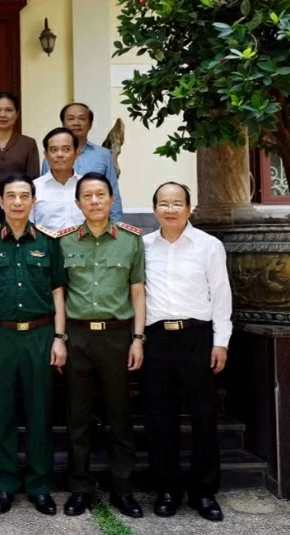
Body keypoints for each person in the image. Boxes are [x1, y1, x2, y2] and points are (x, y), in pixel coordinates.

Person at [0, 174, 67, 515]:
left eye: (25, 196)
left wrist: (59, 337)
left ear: (34, 201)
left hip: (39, 334)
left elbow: (58, 292)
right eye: (11, 196)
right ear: (0, 201)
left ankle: (39, 486)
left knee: (40, 412)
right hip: (0, 335)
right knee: (1, 412)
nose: (18, 202)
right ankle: (4, 484)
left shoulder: (49, 243)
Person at [59, 172, 146, 519]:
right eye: (87, 196)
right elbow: (60, 294)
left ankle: (122, 489)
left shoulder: (130, 240)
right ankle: (80, 488)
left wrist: (138, 339)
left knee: (119, 416)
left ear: (111, 199)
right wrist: (61, 339)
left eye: (100, 195)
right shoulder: (63, 242)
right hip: (77, 335)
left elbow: (138, 292)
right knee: (77, 417)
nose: (94, 201)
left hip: (117, 335)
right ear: (78, 202)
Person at [143, 182, 231, 522]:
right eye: (163, 203)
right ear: (155, 210)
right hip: (157, 340)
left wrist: (221, 341)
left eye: (177, 203)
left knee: (203, 417)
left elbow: (221, 295)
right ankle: (167, 489)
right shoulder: (143, 245)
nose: (170, 209)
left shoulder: (209, 246)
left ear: (188, 208)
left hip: (198, 338)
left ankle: (204, 492)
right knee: (158, 418)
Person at [42, 103, 123, 221]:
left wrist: (116, 224)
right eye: (71, 119)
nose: (76, 123)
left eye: (82, 119)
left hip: (94, 224)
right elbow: (44, 192)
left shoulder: (103, 155)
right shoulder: (51, 158)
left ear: (90, 124)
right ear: (63, 123)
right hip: (57, 224)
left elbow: (113, 191)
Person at [0, 92, 40, 183]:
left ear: (16, 114)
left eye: (8, 110)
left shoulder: (28, 143)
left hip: (18, 196)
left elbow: (34, 178)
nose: (2, 115)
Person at [32, 127, 84, 231]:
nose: (60, 155)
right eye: (54, 150)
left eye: (66, 149)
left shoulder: (87, 186)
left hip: (83, 245)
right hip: (45, 246)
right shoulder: (34, 187)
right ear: (46, 155)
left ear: (76, 153)